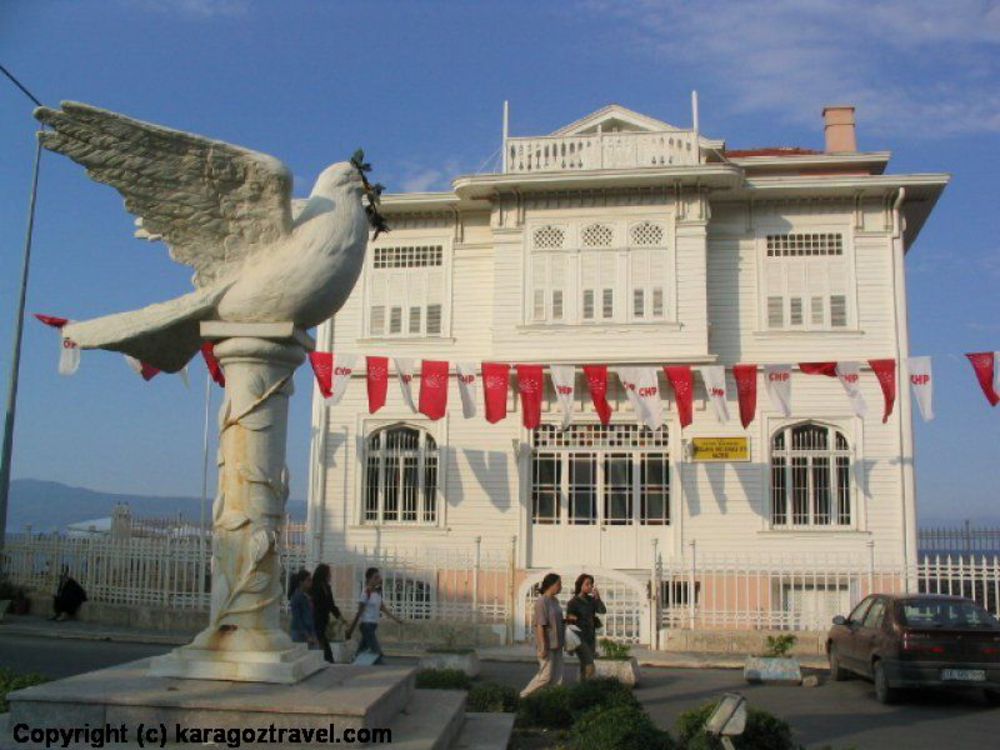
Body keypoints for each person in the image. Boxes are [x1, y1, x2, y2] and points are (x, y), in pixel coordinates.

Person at [520, 573, 565, 698]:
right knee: (545, 676)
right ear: (551, 585)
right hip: (547, 644)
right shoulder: (542, 602)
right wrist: (543, 647)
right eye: (559, 584)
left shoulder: (555, 601)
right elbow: (540, 625)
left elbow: (556, 620)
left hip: (557, 644)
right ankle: (523, 696)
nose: (560, 587)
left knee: (557, 678)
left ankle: (552, 701)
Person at [346, 567, 403, 664]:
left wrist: (396, 619)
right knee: (376, 651)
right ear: (369, 579)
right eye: (375, 577)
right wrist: (351, 629)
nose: (379, 579)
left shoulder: (377, 593)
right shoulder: (365, 593)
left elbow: (383, 608)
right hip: (366, 626)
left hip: (373, 626)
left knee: (362, 649)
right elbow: (359, 612)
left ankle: (353, 663)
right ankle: (382, 667)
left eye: (379, 577)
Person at [565, 573, 606, 681]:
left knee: (585, 664)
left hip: (590, 636)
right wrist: (570, 644)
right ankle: (586, 686)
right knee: (589, 664)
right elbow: (570, 623)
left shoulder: (592, 600)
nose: (590, 586)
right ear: (580, 585)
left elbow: (602, 611)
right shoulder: (573, 602)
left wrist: (597, 597)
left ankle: (583, 687)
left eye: (591, 584)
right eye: (587, 584)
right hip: (579, 637)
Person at [311, 563, 342, 663]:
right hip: (316, 619)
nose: (330, 575)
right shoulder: (314, 587)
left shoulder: (327, 587)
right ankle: (328, 659)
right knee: (322, 642)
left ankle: (326, 659)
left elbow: (331, 605)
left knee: (322, 640)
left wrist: (340, 617)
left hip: (323, 619)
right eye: (329, 573)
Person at [288, 569, 317, 646]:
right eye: (308, 580)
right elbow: (297, 618)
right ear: (301, 582)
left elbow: (310, 616)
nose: (311, 582)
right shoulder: (297, 597)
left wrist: (313, 633)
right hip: (300, 633)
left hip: (309, 632)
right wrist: (307, 635)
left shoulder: (306, 596)